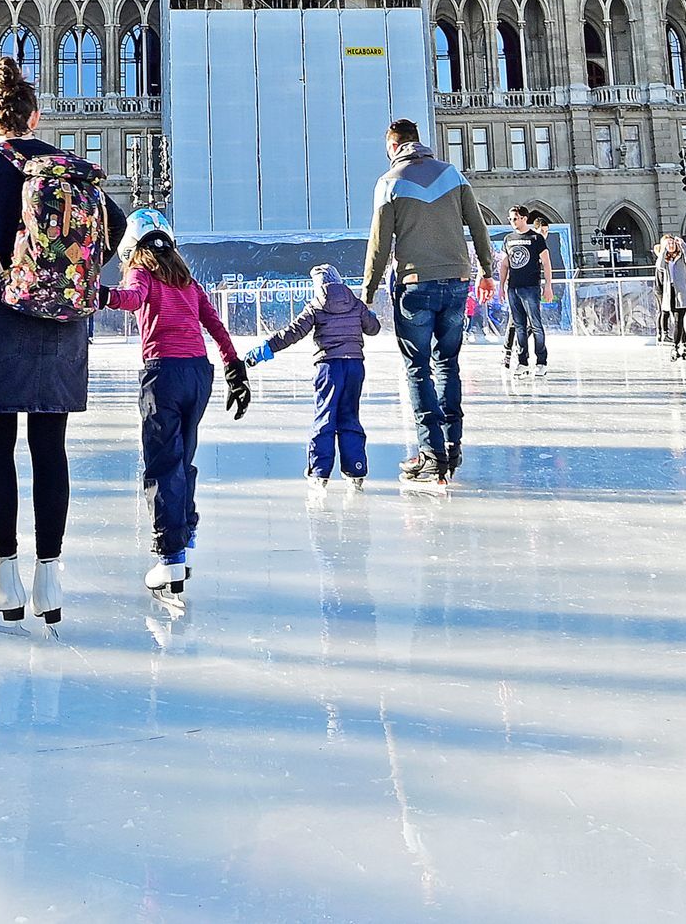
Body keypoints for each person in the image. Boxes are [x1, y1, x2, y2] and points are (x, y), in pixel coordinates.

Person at [0, 56, 126, 625]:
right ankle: (50, 582)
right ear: (35, 117)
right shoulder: (71, 171)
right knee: (49, 449)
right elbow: (117, 231)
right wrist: (69, 276)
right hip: (61, 327)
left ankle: (3, 579)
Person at [99, 209, 249, 598]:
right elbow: (215, 324)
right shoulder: (187, 279)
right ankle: (186, 529)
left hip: (163, 374)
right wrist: (235, 368)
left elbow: (132, 299)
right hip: (199, 374)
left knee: (163, 462)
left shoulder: (142, 271)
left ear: (132, 247)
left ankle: (170, 557)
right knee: (183, 458)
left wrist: (101, 295)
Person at [361, 118, 497, 484]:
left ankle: (431, 453)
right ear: (419, 142)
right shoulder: (453, 174)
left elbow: (380, 243)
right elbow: (479, 226)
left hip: (414, 286)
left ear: (392, 147)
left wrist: (368, 292)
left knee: (418, 369)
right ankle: (453, 446)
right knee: (447, 364)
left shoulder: (389, 182)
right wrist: (486, 270)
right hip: (456, 282)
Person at [251, 263, 383, 483]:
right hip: (354, 367)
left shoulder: (316, 305)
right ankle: (356, 469)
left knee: (325, 416)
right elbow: (373, 329)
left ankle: (320, 471)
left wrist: (266, 349)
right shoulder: (355, 303)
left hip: (328, 367)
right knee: (350, 416)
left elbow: (293, 332)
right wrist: (370, 315)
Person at [499, 207, 553, 372]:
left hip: (530, 287)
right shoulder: (508, 239)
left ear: (524, 218)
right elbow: (504, 264)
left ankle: (541, 362)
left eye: (515, 218)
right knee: (519, 326)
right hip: (513, 287)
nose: (512, 222)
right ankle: (522, 362)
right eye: (510, 219)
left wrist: (548, 285)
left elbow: (546, 262)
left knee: (535, 325)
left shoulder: (536, 238)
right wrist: (501, 287)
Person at [655, 233, 686, 363]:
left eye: (672, 243)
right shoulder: (665, 259)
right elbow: (659, 266)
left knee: (678, 320)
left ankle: (676, 346)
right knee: (677, 322)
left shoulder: (681, 257)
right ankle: (684, 344)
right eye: (668, 244)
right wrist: (664, 250)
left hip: (681, 292)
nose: (671, 245)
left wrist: (683, 245)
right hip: (669, 292)